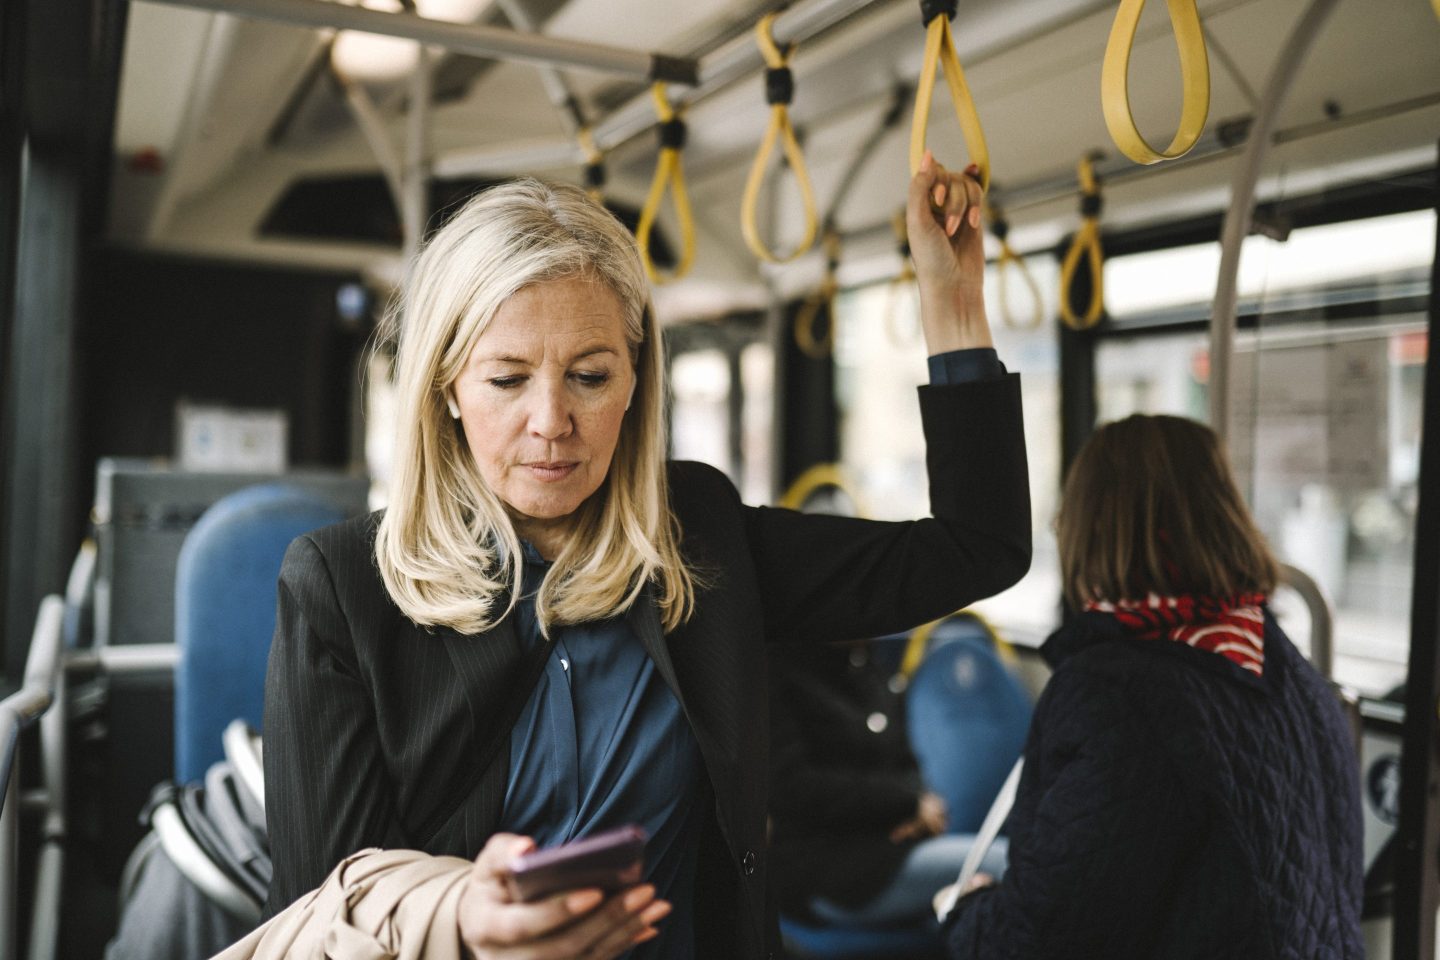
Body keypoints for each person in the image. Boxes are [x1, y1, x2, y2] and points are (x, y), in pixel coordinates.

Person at [262, 152, 1031, 960]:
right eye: (507, 379)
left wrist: (951, 300)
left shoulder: (699, 535)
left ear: (635, 382)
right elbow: (322, 910)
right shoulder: (342, 587)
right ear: (447, 388)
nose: (552, 420)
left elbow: (978, 549)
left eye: (590, 377)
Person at [940, 415, 1363, 959]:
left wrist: (963, 914)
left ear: (1088, 527)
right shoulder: (1289, 671)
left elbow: (1044, 942)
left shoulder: (1118, 697)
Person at [768, 636, 1009, 929]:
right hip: (827, 868)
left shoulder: (869, 668)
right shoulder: (780, 673)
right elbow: (793, 788)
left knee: (987, 901)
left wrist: (918, 810)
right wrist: (906, 803)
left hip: (894, 846)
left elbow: (906, 760)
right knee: (1007, 864)